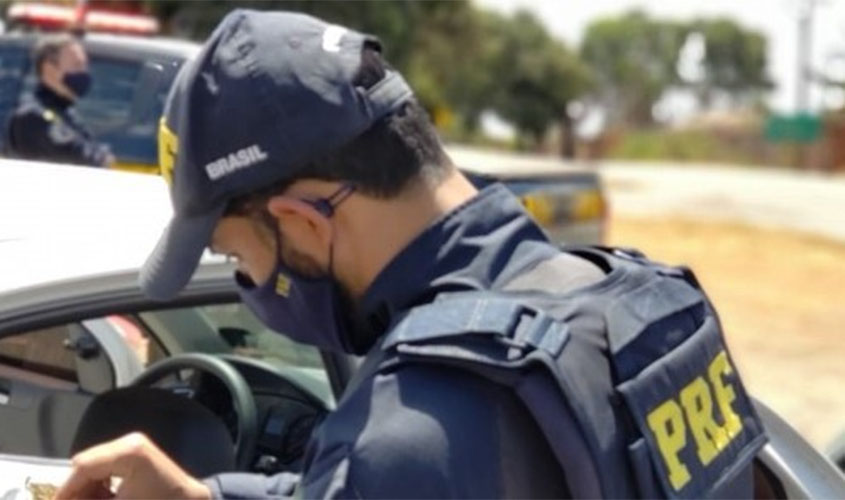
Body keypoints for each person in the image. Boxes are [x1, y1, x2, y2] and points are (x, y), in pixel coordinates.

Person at [56, 10, 766, 500]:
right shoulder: (640, 302)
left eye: (238, 259)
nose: (250, 286)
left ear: (303, 222)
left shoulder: (410, 434)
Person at [3, 33, 112, 167]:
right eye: (77, 65)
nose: (84, 72)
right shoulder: (34, 116)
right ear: (50, 69)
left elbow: (98, 152)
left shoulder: (65, 112)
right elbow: (85, 160)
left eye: (84, 66)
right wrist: (99, 157)